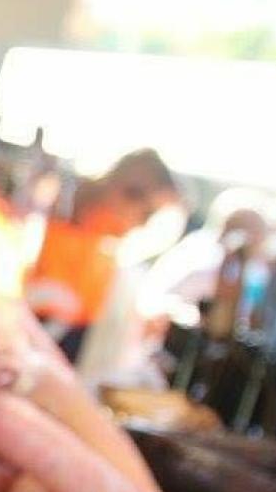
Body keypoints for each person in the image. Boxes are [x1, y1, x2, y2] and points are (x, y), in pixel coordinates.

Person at [23, 148, 184, 357]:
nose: (143, 224)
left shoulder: (104, 249)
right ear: (126, 189)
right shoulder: (44, 209)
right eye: (147, 213)